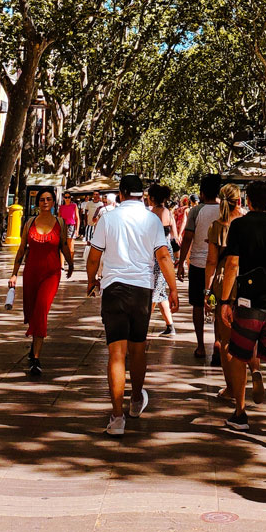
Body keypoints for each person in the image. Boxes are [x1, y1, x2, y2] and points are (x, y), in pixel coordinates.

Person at [86, 172, 178, 436]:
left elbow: (94, 257)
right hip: (141, 292)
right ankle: (136, 400)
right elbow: (162, 255)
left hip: (113, 289)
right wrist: (173, 290)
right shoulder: (151, 220)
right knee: (138, 350)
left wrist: (91, 281)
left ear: (122, 193)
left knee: (116, 354)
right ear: (143, 195)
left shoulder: (108, 218)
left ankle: (116, 419)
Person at [219, 180, 266, 446]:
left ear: (248, 200)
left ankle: (240, 414)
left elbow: (232, 264)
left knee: (239, 357)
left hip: (247, 305)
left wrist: (224, 301)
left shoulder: (239, 226)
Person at [205, 184, 264, 406]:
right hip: (250, 280)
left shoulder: (217, 226)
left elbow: (211, 261)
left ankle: (231, 388)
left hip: (225, 282)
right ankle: (255, 369)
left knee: (226, 339)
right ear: (240, 201)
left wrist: (207, 290)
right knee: (250, 333)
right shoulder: (249, 223)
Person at [9, 186, 74, 378]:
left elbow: (63, 245)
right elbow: (21, 249)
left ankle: (36, 359)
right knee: (31, 311)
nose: (45, 202)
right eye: (42, 200)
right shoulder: (29, 222)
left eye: (48, 199)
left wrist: (70, 264)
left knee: (41, 310)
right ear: (38, 203)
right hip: (31, 273)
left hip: (51, 273)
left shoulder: (60, 222)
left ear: (54, 202)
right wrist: (14, 274)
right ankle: (34, 345)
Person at [177, 174, 221, 361]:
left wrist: (180, 264)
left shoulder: (196, 211)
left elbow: (187, 237)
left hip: (198, 264)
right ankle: (218, 344)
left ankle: (201, 346)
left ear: (202, 193)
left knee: (197, 305)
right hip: (219, 267)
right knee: (219, 305)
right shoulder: (225, 211)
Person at [148, 182, 179, 337]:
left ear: (152, 198)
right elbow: (175, 236)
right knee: (160, 291)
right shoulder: (168, 211)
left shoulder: (152, 213)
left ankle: (142, 325)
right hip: (166, 251)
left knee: (155, 291)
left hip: (157, 253)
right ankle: (170, 326)